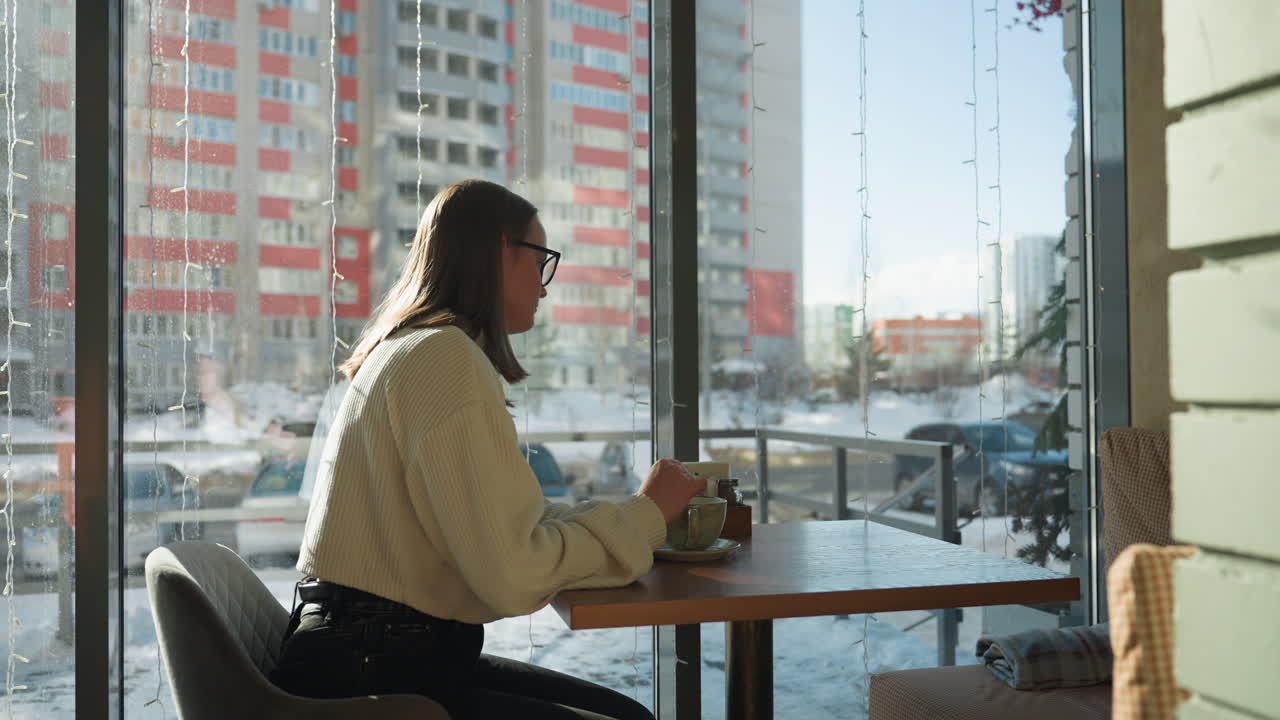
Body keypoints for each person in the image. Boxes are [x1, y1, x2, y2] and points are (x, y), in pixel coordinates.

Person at [270, 179, 704, 719]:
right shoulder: (443, 358)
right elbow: (513, 574)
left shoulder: (413, 347)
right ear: (501, 249)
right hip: (377, 669)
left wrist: (637, 516)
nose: (546, 285)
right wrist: (643, 519)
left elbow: (509, 525)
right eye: (542, 258)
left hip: (368, 652)